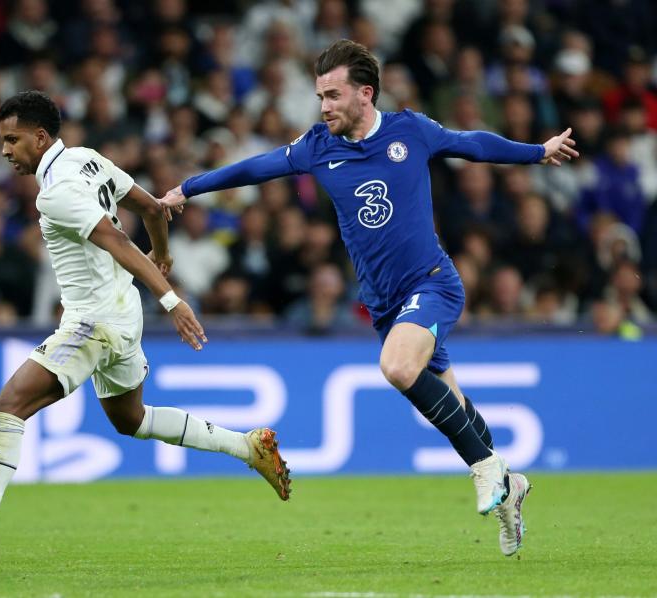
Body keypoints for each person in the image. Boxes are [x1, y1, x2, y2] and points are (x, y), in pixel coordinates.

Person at [159, 40, 579, 557]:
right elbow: (255, 167)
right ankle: (511, 484)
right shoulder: (317, 146)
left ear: (365, 93)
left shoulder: (411, 131)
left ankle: (487, 469)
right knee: (453, 403)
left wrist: (538, 151)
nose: (324, 106)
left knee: (398, 368)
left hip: (432, 283)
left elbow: (473, 143)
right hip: (385, 305)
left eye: (333, 95)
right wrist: (189, 187)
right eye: (319, 96)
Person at [0, 91, 291, 569]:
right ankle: (246, 445)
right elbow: (154, 209)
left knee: (8, 406)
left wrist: (171, 298)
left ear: (40, 137)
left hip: (94, 322)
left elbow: (114, 238)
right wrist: (164, 252)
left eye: (12, 140)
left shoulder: (56, 193)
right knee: (129, 419)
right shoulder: (87, 159)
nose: (5, 150)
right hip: (123, 316)